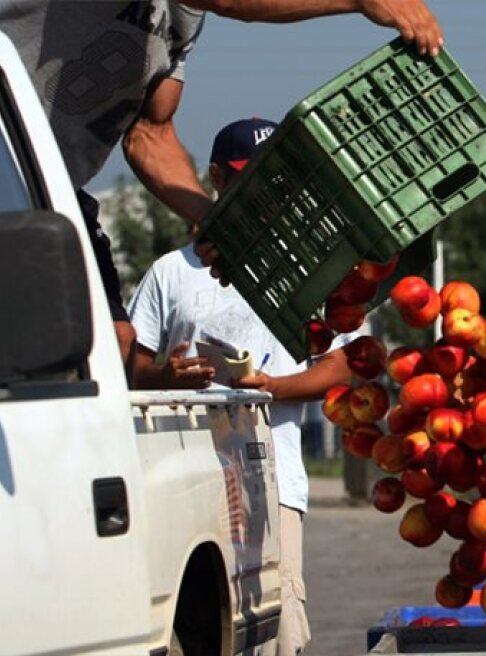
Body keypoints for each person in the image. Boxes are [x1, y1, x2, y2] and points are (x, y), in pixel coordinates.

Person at [0, 0, 442, 377]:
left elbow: (149, 135)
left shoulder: (183, 17)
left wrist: (217, 223)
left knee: (114, 341)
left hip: (52, 190)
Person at [128, 117, 355, 654]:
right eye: (242, 181)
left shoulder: (309, 268)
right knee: (198, 628)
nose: (258, 199)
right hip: (185, 478)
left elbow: (346, 364)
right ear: (213, 178)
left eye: (271, 184)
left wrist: (270, 387)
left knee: (278, 630)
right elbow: (130, 365)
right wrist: (166, 376)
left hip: (272, 478)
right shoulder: (172, 272)